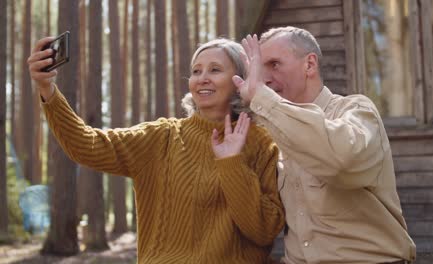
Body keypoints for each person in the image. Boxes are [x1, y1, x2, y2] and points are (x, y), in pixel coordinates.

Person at [28, 37, 285, 263]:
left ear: (239, 79)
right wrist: (47, 90)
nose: (202, 78)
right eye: (196, 71)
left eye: (215, 70)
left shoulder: (262, 143)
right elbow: (86, 145)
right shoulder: (162, 136)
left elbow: (263, 231)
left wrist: (232, 165)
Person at [232, 27, 416, 264]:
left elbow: (340, 161)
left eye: (274, 64)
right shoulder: (269, 131)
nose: (263, 78)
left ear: (309, 65)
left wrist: (261, 97)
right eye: (258, 69)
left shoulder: (358, 111)